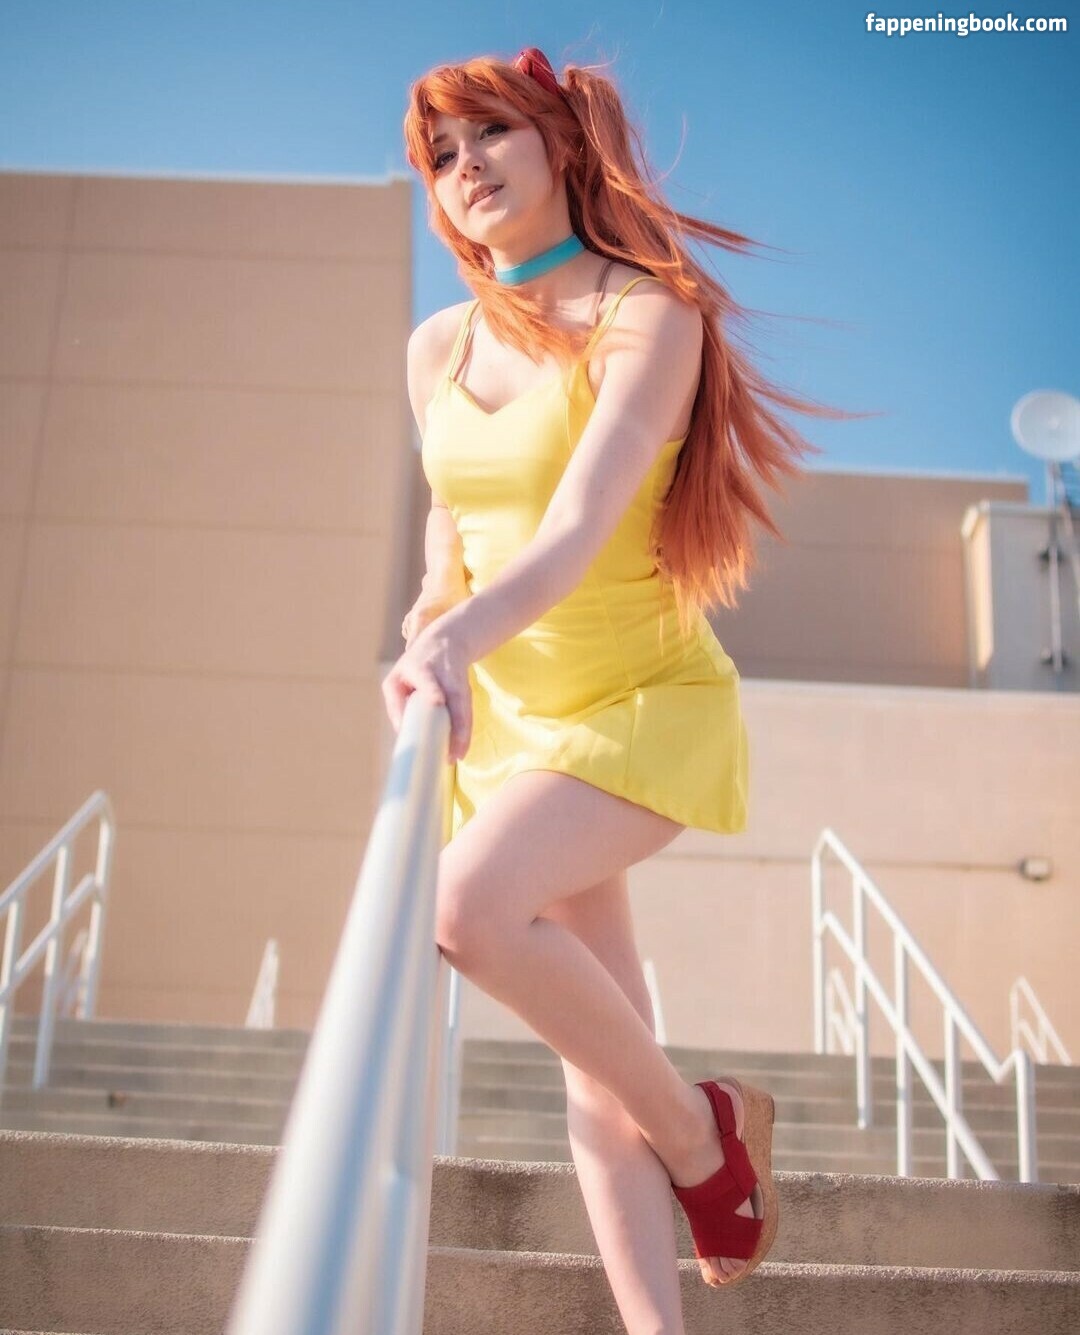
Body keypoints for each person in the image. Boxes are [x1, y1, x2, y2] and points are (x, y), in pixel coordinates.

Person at [385, 45, 848, 1335]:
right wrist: (428, 623)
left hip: (641, 697)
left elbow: (580, 523)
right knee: (597, 1053)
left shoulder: (650, 311)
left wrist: (456, 638)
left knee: (466, 907)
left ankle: (702, 1138)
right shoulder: (438, 347)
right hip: (510, 720)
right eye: (442, 155)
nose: (466, 167)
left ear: (559, 142)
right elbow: (453, 522)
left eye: (491, 134)